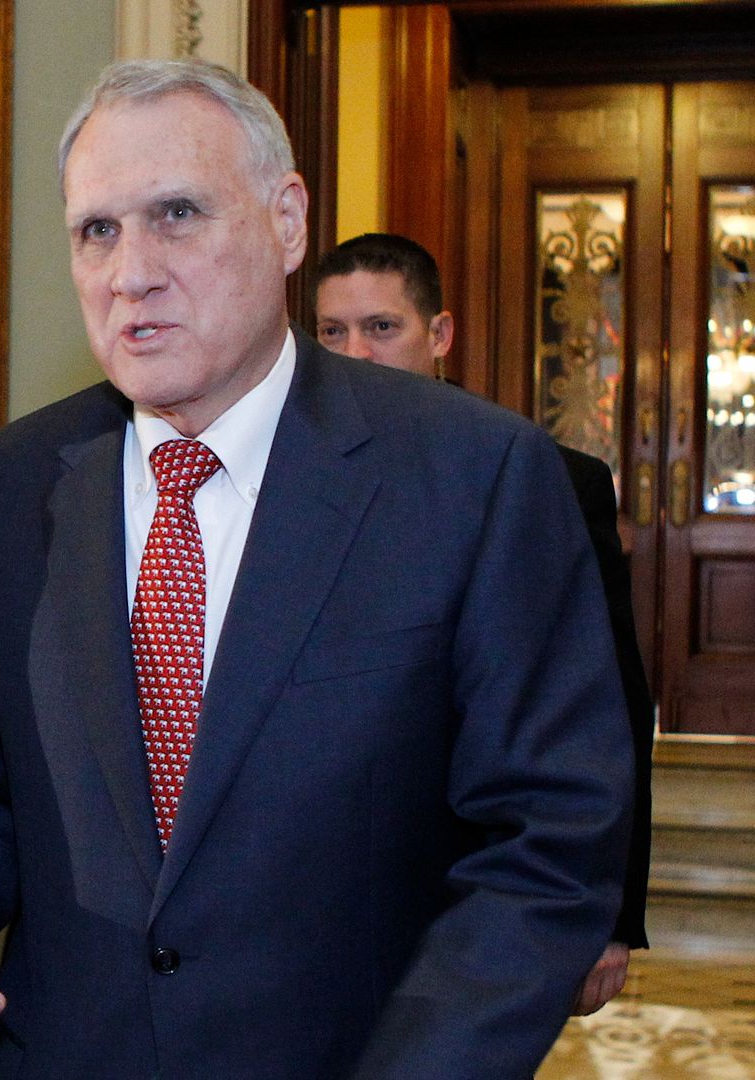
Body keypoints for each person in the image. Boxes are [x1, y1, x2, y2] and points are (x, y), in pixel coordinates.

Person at [0, 59, 633, 1077]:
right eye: (98, 230)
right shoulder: (0, 494)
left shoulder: (475, 479)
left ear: (287, 219)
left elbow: (548, 845)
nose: (131, 270)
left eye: (176, 214)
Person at [314, 230, 655, 1018]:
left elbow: (609, 709)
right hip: (322, 898)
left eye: (382, 328)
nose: (355, 353)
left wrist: (610, 912)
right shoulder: (274, 477)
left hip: (476, 888)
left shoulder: (542, 477)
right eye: (333, 332)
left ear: (439, 335)